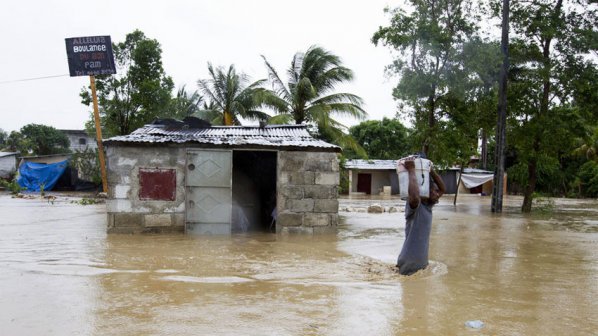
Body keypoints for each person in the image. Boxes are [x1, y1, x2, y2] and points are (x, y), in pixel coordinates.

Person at [396, 157, 446, 275]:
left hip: (420, 264)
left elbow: (443, 189)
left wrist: (430, 170)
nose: (436, 193)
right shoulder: (414, 207)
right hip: (410, 263)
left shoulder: (428, 206)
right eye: (433, 191)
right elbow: (414, 197)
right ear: (425, 192)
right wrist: (412, 170)